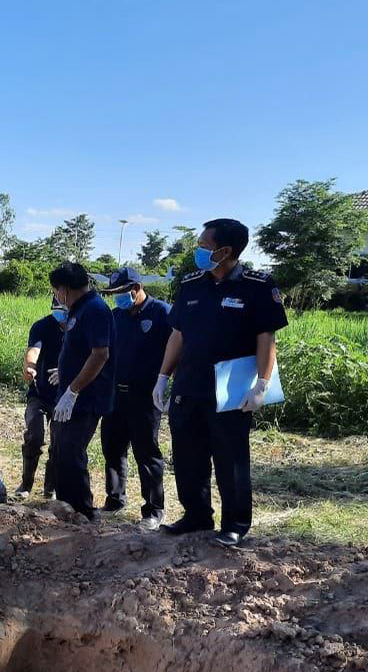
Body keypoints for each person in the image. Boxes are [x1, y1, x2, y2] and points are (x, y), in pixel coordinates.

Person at [156, 218, 287, 547]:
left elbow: (265, 339)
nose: (198, 251)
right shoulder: (191, 285)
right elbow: (177, 335)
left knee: (230, 459)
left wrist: (262, 385)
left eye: (204, 246)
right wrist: (163, 377)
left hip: (230, 391)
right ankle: (197, 515)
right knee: (187, 456)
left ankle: (235, 524)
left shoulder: (257, 286)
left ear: (226, 251)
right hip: (189, 385)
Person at [98, 267, 172, 530]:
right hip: (116, 394)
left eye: (120, 293)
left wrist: (165, 382)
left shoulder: (162, 313)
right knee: (112, 448)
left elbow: (177, 348)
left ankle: (154, 509)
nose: (117, 298)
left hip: (146, 396)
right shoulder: (115, 316)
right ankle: (115, 500)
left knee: (146, 452)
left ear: (136, 289)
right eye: (113, 293)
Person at [48, 262, 116, 520]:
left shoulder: (95, 310)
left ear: (63, 289)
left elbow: (100, 355)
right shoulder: (78, 309)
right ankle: (67, 508)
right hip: (70, 395)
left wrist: (73, 390)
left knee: (71, 452)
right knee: (61, 451)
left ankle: (83, 512)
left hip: (86, 398)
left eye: (55, 290)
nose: (55, 296)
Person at [14, 298, 68, 499]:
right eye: (57, 311)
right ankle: (26, 483)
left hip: (65, 396)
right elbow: (33, 352)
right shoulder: (42, 326)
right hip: (39, 392)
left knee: (59, 441)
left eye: (64, 311)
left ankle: (50, 488)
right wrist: (30, 367)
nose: (61, 316)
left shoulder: (78, 328)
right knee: (34, 436)